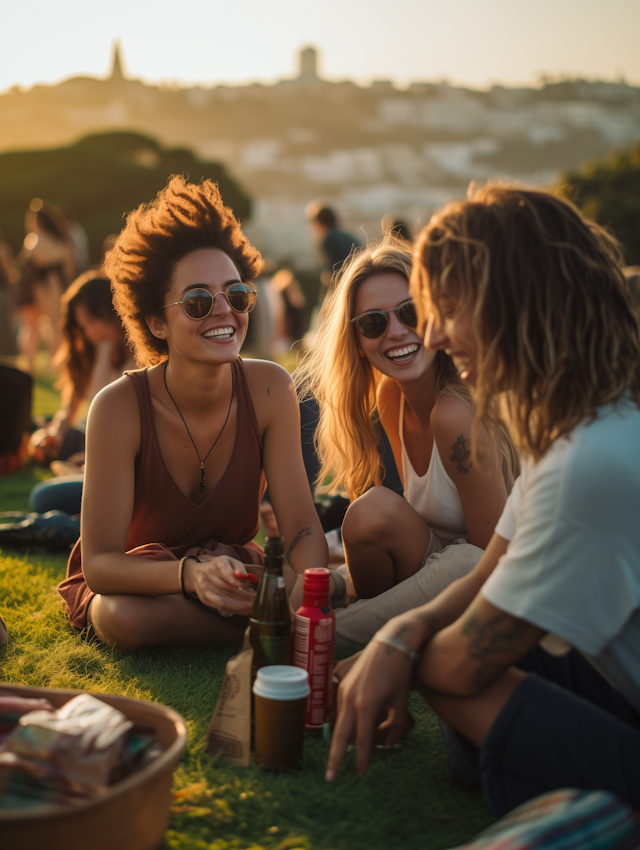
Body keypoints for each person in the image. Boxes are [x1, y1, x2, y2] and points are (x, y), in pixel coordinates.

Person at [326, 184, 640, 817]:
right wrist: (399, 637)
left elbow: (460, 659)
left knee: (451, 680)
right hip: (610, 681)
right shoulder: (580, 432)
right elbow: (492, 568)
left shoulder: (589, 464)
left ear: (516, 305)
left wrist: (395, 651)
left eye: (445, 309)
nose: (433, 335)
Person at [57, 176, 327, 650]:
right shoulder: (118, 407)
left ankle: (260, 615)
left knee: (293, 583)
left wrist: (293, 580)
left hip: (234, 569)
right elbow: (101, 564)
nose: (224, 312)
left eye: (236, 294)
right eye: (199, 301)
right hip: (142, 578)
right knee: (120, 616)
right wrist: (191, 577)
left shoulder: (270, 387)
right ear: (156, 322)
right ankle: (266, 625)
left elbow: (304, 529)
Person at [294, 234, 518, 641]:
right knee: (369, 512)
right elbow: (417, 533)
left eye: (410, 312)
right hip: (437, 568)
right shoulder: (391, 397)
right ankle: (361, 615)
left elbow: (491, 565)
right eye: (374, 323)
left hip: (501, 584)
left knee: (464, 561)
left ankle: (331, 632)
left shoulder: (456, 413)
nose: (396, 332)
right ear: (358, 343)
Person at [15, 199, 75, 373]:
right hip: (56, 284)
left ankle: (33, 365)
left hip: (39, 286)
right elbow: (69, 269)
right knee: (56, 324)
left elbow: (26, 264)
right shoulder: (60, 239)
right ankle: (58, 362)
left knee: (38, 326)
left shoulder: (35, 239)